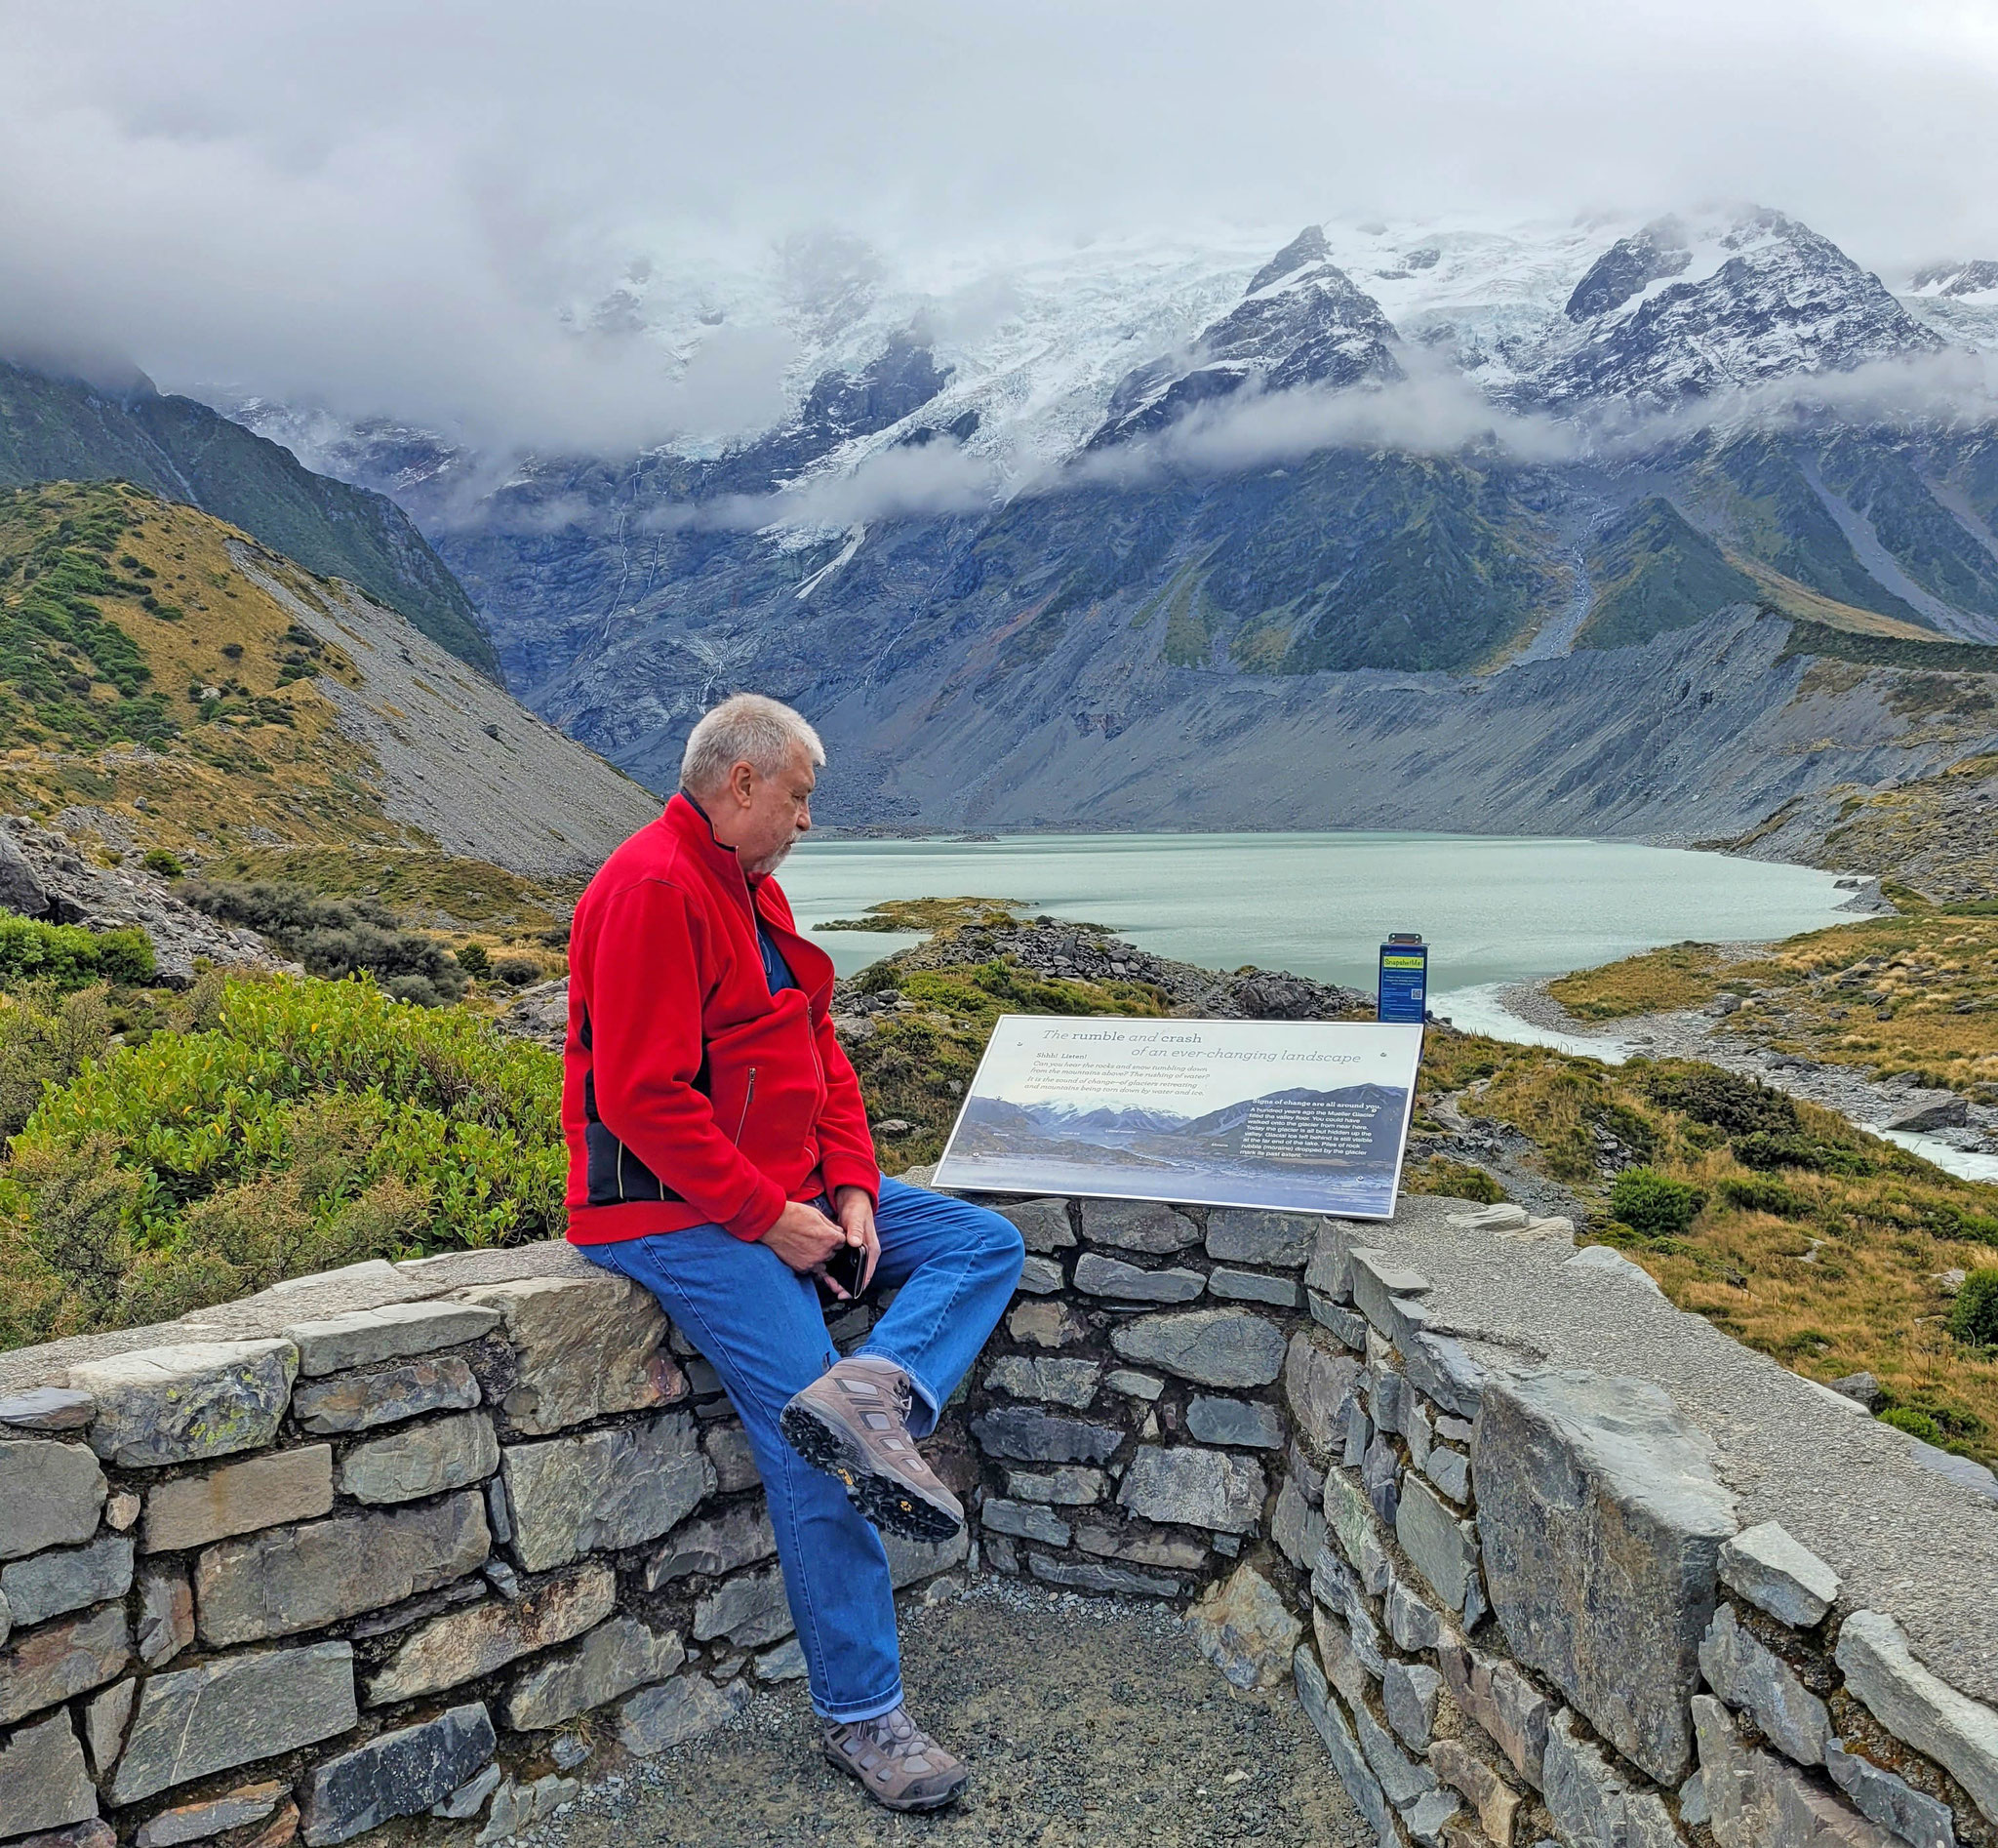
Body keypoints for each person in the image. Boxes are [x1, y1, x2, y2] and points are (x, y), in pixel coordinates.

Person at [561, 691, 1024, 1813]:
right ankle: (867, 1721)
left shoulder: (750, 892)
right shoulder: (653, 887)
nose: (807, 822)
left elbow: (824, 1064)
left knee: (979, 1241)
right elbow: (640, 1096)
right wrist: (770, 1217)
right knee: (812, 1442)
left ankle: (876, 1387)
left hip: (789, 1192)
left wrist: (855, 1189)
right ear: (743, 785)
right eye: (802, 798)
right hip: (672, 1212)